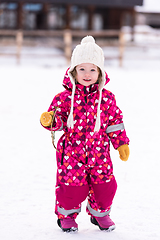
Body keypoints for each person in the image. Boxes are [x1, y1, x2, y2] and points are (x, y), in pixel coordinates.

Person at [40, 36, 130, 233]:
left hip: (100, 153)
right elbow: (58, 119)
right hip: (72, 153)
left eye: (92, 69)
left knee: (105, 186)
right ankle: (67, 216)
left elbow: (115, 122)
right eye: (82, 69)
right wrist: (50, 120)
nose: (87, 74)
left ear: (100, 72)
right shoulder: (64, 98)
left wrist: (121, 143)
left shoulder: (106, 98)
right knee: (71, 188)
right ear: (73, 71)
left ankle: (101, 215)